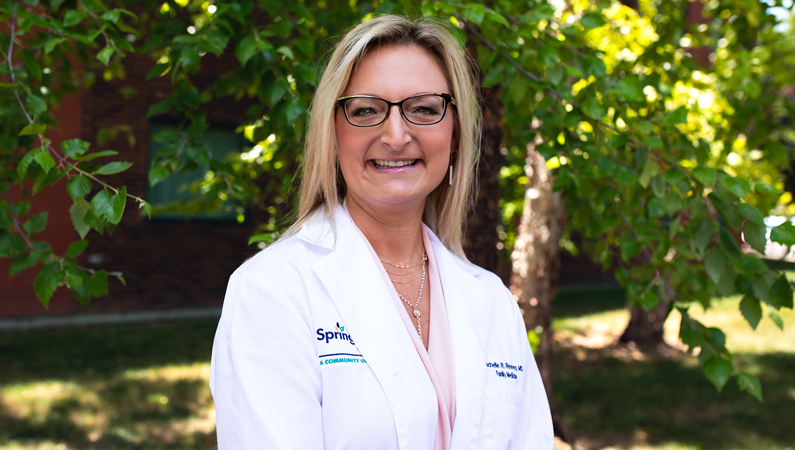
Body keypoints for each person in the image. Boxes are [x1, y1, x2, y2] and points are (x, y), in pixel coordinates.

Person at [210, 15, 553, 450]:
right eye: (367, 110)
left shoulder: (492, 300)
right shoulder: (272, 291)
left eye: (425, 109)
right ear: (333, 134)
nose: (396, 135)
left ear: (455, 136)